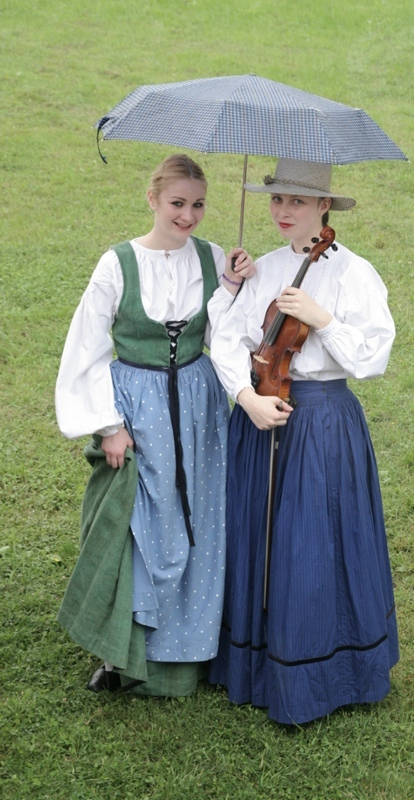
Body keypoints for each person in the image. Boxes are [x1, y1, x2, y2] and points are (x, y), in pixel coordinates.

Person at [207, 158, 399, 725]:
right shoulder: (265, 268)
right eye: (277, 199)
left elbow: (372, 357)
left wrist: (323, 318)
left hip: (322, 421)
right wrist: (246, 397)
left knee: (314, 540)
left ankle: (326, 668)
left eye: (297, 200)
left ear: (324, 206)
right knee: (260, 535)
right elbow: (227, 339)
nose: (284, 211)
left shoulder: (354, 273)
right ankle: (254, 661)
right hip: (262, 411)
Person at [55, 153, 254, 697]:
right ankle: (123, 655)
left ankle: (191, 655)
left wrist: (232, 288)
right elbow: (86, 346)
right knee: (139, 522)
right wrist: (108, 425)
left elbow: (223, 337)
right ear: (153, 199)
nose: (188, 215)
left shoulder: (213, 257)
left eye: (198, 204)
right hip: (137, 408)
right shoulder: (118, 263)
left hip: (198, 406)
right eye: (177, 203)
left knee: (200, 518)